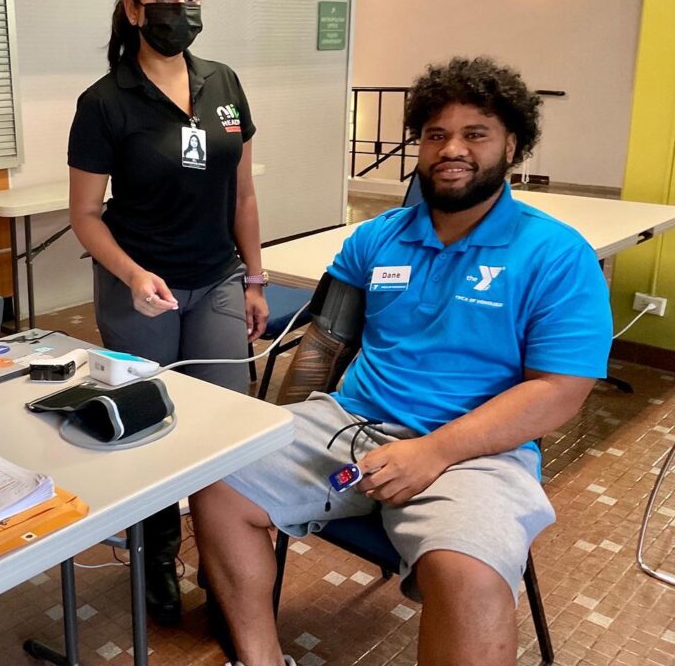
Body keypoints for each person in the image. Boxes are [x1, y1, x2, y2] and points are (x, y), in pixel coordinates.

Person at [190, 56, 613, 666]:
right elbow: (324, 342)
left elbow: (560, 392)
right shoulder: (377, 238)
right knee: (217, 477)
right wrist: (284, 429)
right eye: (437, 134)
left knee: (469, 577)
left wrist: (435, 451)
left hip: (474, 450)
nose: (452, 149)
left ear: (512, 144)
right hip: (351, 424)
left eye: (475, 133)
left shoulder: (556, 255)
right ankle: (260, 659)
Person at [68, 0, 269, 625]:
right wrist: (130, 272)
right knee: (149, 427)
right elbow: (85, 216)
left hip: (216, 278)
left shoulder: (224, 82)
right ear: (132, 9)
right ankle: (155, 554)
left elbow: (242, 195)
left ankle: (226, 568)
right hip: (138, 285)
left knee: (221, 429)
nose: (178, 10)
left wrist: (255, 277)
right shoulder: (105, 103)